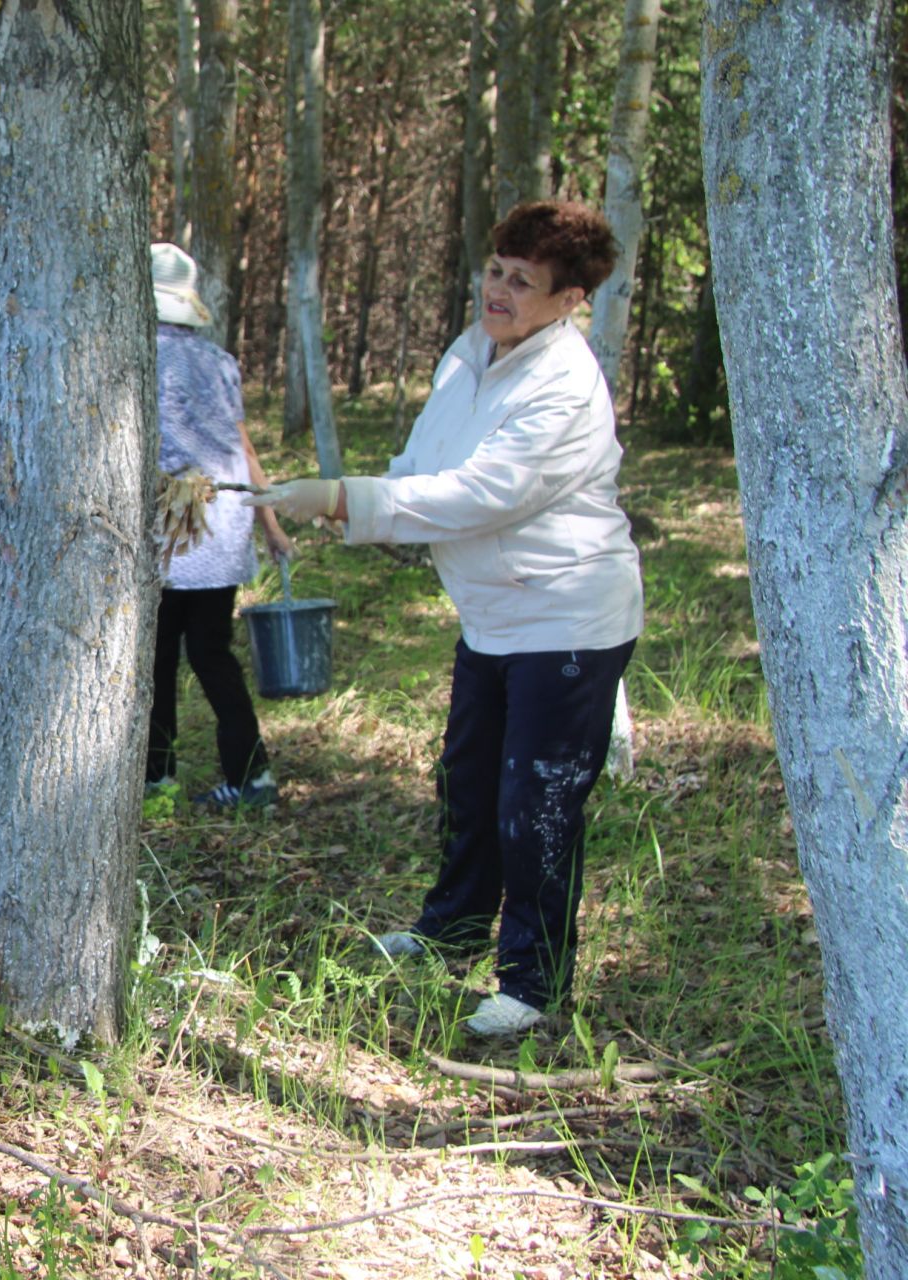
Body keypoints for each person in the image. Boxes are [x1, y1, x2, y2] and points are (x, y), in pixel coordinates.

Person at [250, 201, 642, 1037]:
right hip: (493, 620)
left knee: (535, 803)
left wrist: (349, 498)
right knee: (468, 784)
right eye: (495, 270)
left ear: (570, 299)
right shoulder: (470, 353)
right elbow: (427, 465)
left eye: (522, 282)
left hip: (567, 619)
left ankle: (533, 983)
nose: (498, 291)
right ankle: (452, 932)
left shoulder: (565, 383)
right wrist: (357, 505)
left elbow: (482, 495)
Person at [148, 242, 292, 810]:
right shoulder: (220, 361)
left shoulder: (134, 356)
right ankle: (252, 776)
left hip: (171, 524)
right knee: (212, 652)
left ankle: (157, 773)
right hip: (223, 520)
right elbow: (245, 448)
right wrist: (270, 523)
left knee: (156, 653)